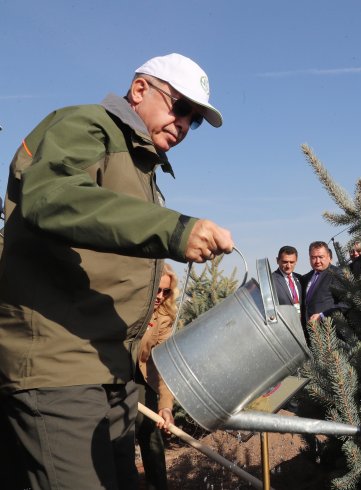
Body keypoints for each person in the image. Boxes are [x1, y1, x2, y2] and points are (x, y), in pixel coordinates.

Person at [0, 53, 234, 490]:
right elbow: (50, 195)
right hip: (61, 369)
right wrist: (175, 230)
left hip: (111, 373)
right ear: (140, 89)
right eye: (179, 107)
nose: (184, 124)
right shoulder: (85, 126)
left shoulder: (141, 164)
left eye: (194, 120)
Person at [135, 264, 178, 490]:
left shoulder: (163, 318)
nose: (160, 296)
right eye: (157, 290)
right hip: (114, 377)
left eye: (166, 292)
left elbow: (164, 363)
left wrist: (166, 406)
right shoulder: (128, 308)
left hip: (143, 378)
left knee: (152, 436)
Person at [302, 241, 348, 327]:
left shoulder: (337, 274)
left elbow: (346, 303)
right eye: (313, 257)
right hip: (309, 330)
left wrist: (323, 315)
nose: (317, 261)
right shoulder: (306, 277)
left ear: (328, 257)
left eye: (321, 257)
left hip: (329, 330)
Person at [272, 245, 303, 317]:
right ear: (277, 260)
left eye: (292, 262)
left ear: (296, 261)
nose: (288, 266)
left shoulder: (301, 279)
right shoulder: (271, 280)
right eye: (285, 262)